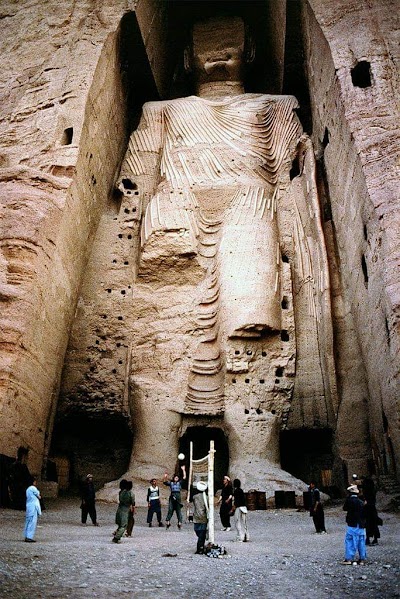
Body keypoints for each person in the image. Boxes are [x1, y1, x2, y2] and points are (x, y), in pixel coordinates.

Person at [342, 484, 367, 565]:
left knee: (350, 541)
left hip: (352, 523)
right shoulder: (361, 502)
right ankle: (362, 559)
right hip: (361, 524)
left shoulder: (349, 501)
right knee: (361, 541)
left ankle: (349, 558)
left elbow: (344, 508)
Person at [9, 446, 32, 511]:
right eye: (26, 457)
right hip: (19, 490)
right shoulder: (16, 466)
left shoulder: (23, 466)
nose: (27, 458)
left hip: (22, 488)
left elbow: (28, 477)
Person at [163, 465, 186, 529]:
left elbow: (184, 477)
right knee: (170, 509)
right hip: (172, 495)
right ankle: (168, 521)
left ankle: (179, 522)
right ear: (173, 478)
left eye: (177, 478)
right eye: (175, 478)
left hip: (178, 495)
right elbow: (165, 482)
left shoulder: (179, 483)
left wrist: (183, 470)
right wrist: (165, 476)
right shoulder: (171, 483)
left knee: (178, 509)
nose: (176, 478)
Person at [112, 479, 135, 543]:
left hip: (119, 508)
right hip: (126, 509)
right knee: (124, 525)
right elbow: (133, 502)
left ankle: (117, 533)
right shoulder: (131, 493)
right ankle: (117, 538)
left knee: (120, 523)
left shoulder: (121, 492)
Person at [362, 477, 381, 545]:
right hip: (372, 509)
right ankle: (375, 539)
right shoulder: (373, 491)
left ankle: (368, 539)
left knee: (368, 524)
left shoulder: (366, 492)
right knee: (374, 524)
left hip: (367, 509)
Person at [192, 480, 209, 554]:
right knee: (202, 533)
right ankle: (201, 546)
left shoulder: (195, 497)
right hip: (203, 517)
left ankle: (200, 547)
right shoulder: (207, 498)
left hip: (196, 517)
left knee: (198, 532)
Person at [24, 476, 41, 543]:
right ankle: (29, 537)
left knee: (28, 521)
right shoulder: (33, 488)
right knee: (32, 522)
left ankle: (26, 535)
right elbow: (38, 495)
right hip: (33, 507)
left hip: (29, 506)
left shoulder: (27, 489)